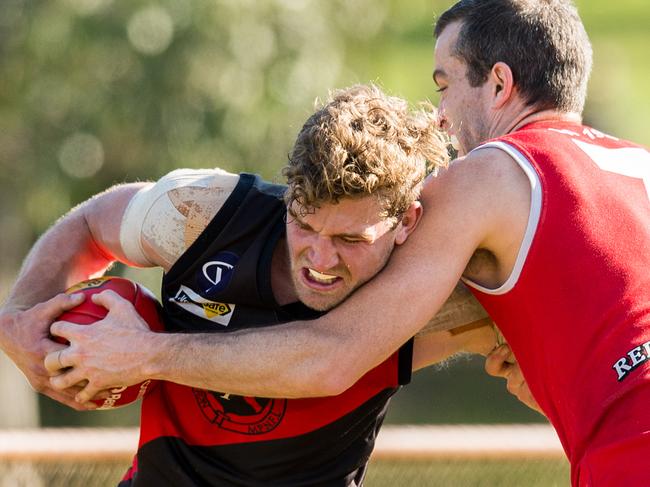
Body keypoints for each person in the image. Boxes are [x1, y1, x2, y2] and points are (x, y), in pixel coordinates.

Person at [43, 1, 650, 485]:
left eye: (444, 85)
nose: (440, 116)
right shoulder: (639, 168)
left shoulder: (490, 172)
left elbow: (333, 356)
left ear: (498, 85)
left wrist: (140, 353)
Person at [1, 84, 500, 485]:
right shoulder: (205, 214)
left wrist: (144, 352)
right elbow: (91, 225)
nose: (321, 259)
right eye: (305, 224)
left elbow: (541, 328)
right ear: (289, 195)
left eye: (352, 238)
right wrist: (18, 317)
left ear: (406, 224)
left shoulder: (428, 295)